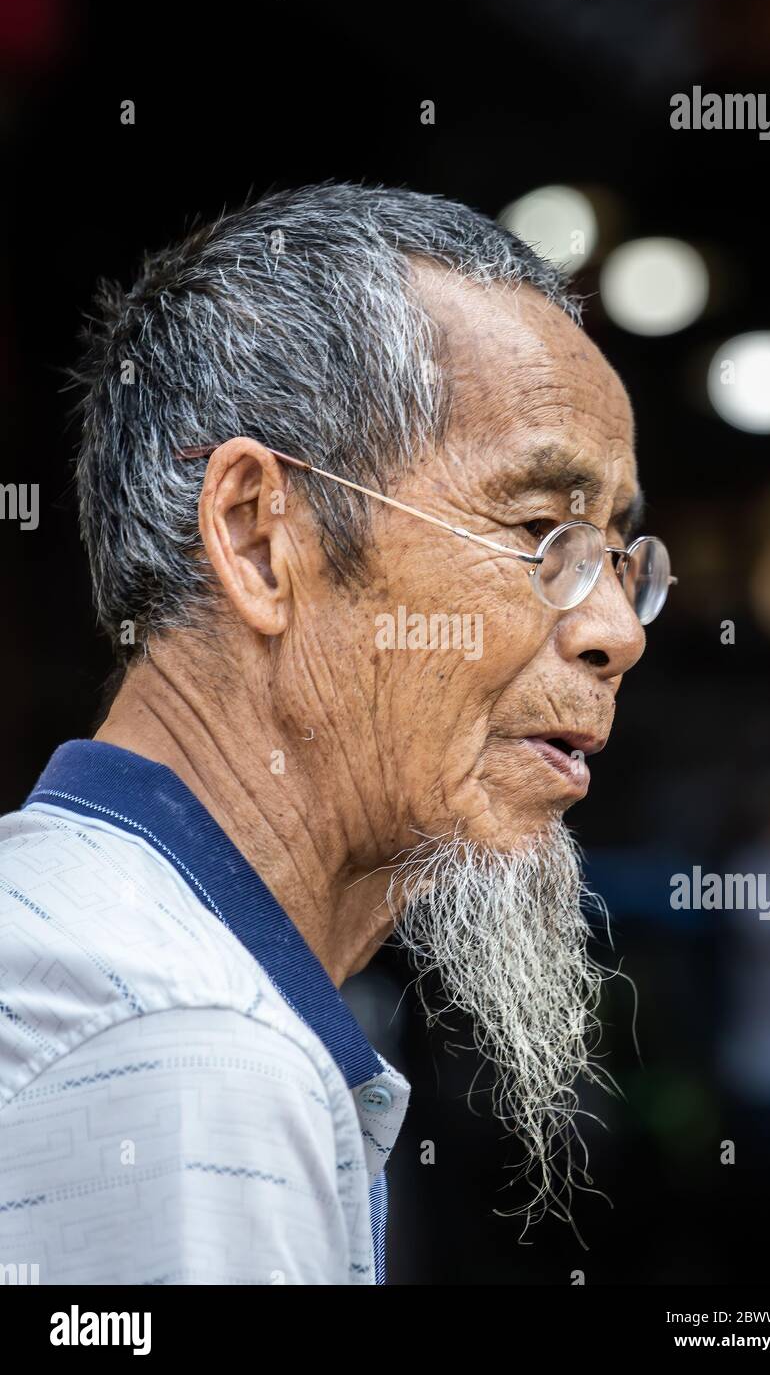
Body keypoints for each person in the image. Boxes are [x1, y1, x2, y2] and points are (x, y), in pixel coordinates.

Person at [0, 183, 673, 1284]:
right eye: (542, 530)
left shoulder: (98, 936)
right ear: (261, 540)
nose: (612, 629)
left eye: (619, 556)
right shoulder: (182, 1044)